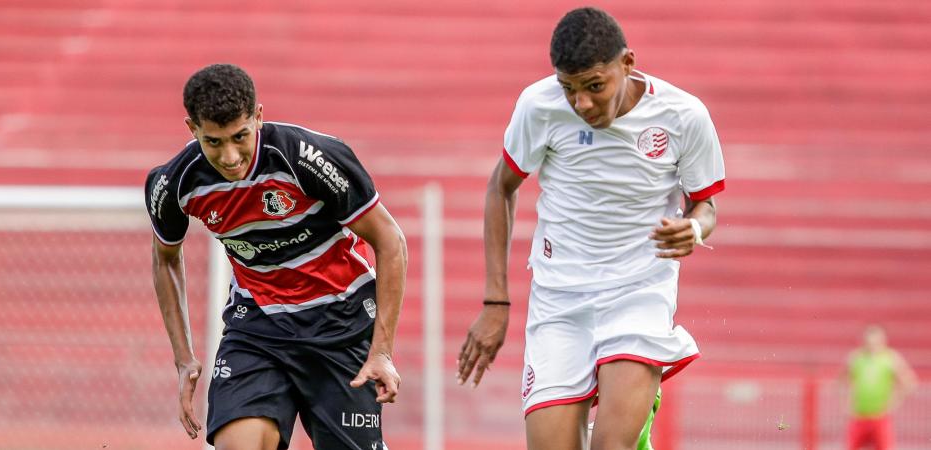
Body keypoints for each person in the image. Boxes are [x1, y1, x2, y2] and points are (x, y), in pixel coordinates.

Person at [456, 7, 725, 450]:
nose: (581, 103)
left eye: (595, 87)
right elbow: (500, 189)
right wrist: (495, 302)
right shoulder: (539, 106)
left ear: (628, 63)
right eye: (569, 89)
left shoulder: (684, 115)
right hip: (559, 300)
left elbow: (706, 206)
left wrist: (693, 230)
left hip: (638, 292)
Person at [146, 64, 406, 450]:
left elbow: (391, 242)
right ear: (192, 129)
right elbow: (166, 259)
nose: (230, 156)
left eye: (240, 136)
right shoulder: (176, 183)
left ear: (259, 117)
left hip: (340, 325)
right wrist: (183, 358)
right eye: (214, 142)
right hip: (258, 329)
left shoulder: (309, 158)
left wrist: (382, 350)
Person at [844, 325, 918, 450]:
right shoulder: (856, 358)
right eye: (869, 341)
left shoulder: (891, 358)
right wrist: (846, 404)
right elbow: (843, 381)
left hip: (880, 417)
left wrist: (894, 402)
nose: (872, 344)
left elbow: (909, 382)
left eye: (876, 341)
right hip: (859, 416)